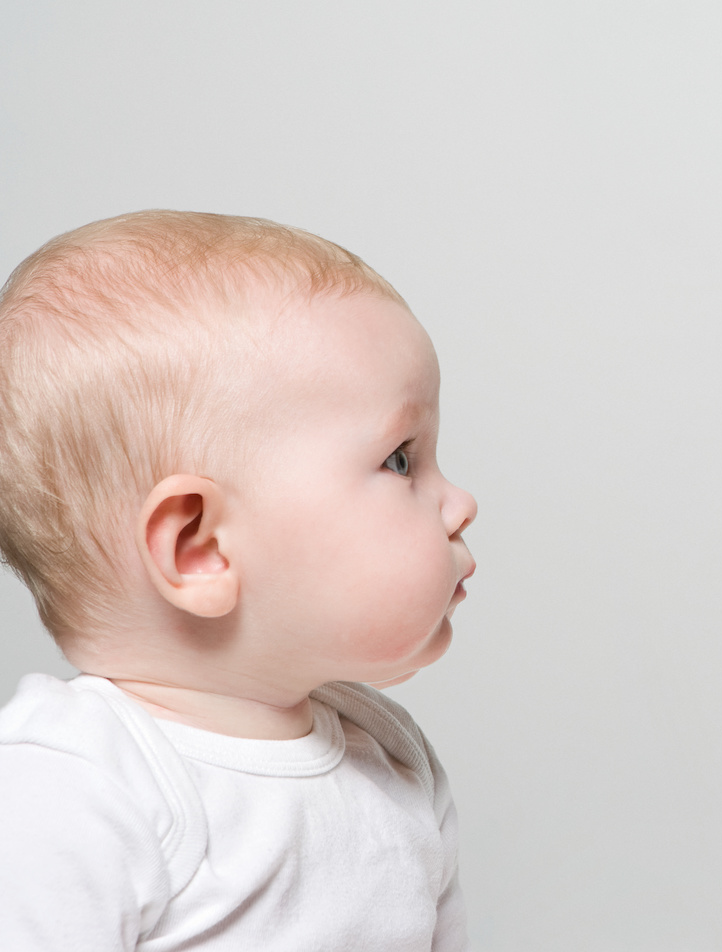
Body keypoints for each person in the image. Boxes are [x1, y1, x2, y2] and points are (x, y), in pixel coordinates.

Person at [0, 211, 477, 949]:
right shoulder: (76, 787)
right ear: (199, 547)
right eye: (401, 460)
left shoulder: (388, 754)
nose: (461, 504)